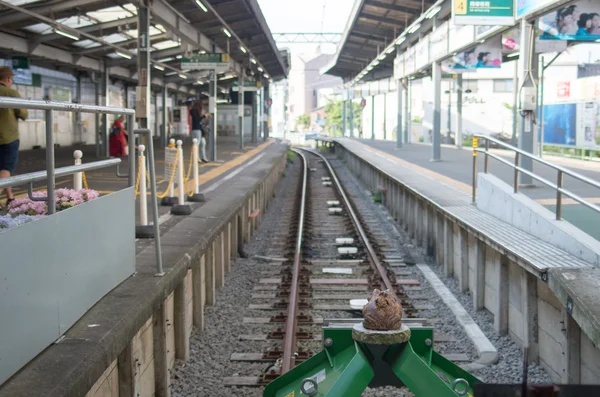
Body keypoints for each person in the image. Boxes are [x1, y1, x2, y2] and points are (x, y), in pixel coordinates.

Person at [0, 66, 28, 208]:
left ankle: (10, 198)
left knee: (1, 171)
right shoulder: (11, 93)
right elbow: (23, 114)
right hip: (8, 136)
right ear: (8, 79)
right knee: (6, 168)